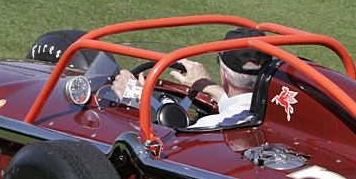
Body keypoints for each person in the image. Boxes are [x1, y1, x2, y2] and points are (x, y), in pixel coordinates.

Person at [111, 27, 271, 128]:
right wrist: (209, 87)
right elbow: (241, 107)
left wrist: (135, 97)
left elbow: (168, 144)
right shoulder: (281, 113)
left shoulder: (210, 126)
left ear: (224, 74)